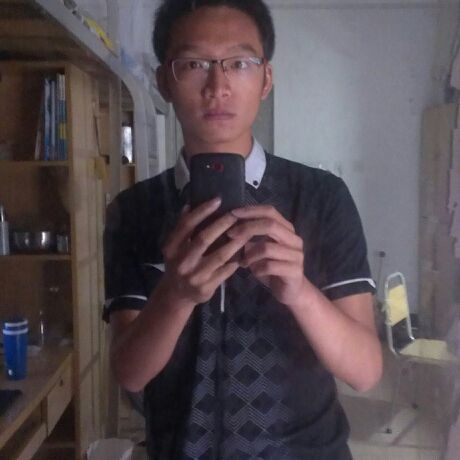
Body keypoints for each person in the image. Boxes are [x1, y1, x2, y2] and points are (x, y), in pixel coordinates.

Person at [103, 0, 383, 458]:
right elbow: (130, 374)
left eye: (239, 63)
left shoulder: (322, 197)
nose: (218, 86)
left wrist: (299, 291)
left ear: (266, 79)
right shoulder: (134, 211)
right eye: (194, 64)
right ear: (164, 81)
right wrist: (175, 296)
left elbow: (365, 371)